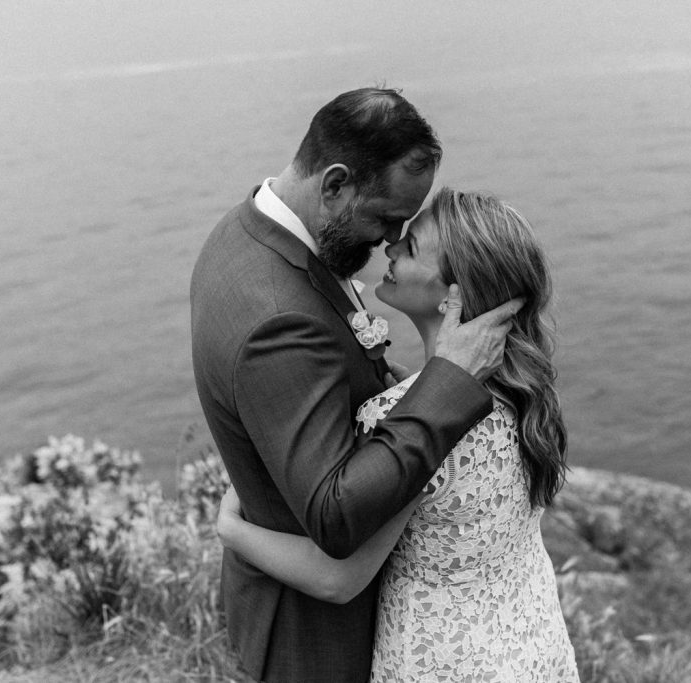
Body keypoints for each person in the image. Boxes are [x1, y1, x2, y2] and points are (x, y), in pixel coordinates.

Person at [190, 88, 521, 682]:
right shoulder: (276, 315)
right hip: (312, 639)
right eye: (386, 219)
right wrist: (447, 379)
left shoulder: (248, 234)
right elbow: (336, 516)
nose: (389, 241)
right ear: (335, 183)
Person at [216, 188, 580, 682]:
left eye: (410, 249)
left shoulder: (413, 421)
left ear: (454, 294)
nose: (389, 248)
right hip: (534, 648)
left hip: (445, 665)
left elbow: (337, 580)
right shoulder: (525, 389)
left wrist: (232, 531)